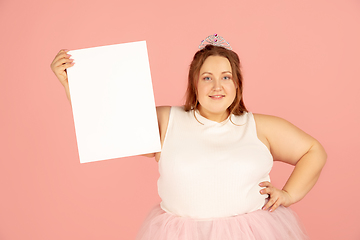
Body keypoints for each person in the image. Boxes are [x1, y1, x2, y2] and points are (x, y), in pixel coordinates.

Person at [50, 34, 327, 240]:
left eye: (226, 77)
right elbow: (109, 121)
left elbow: (313, 151)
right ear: (194, 83)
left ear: (238, 83)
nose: (217, 86)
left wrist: (289, 194)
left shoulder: (261, 127)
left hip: (252, 233)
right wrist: (72, 83)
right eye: (207, 77)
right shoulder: (168, 121)